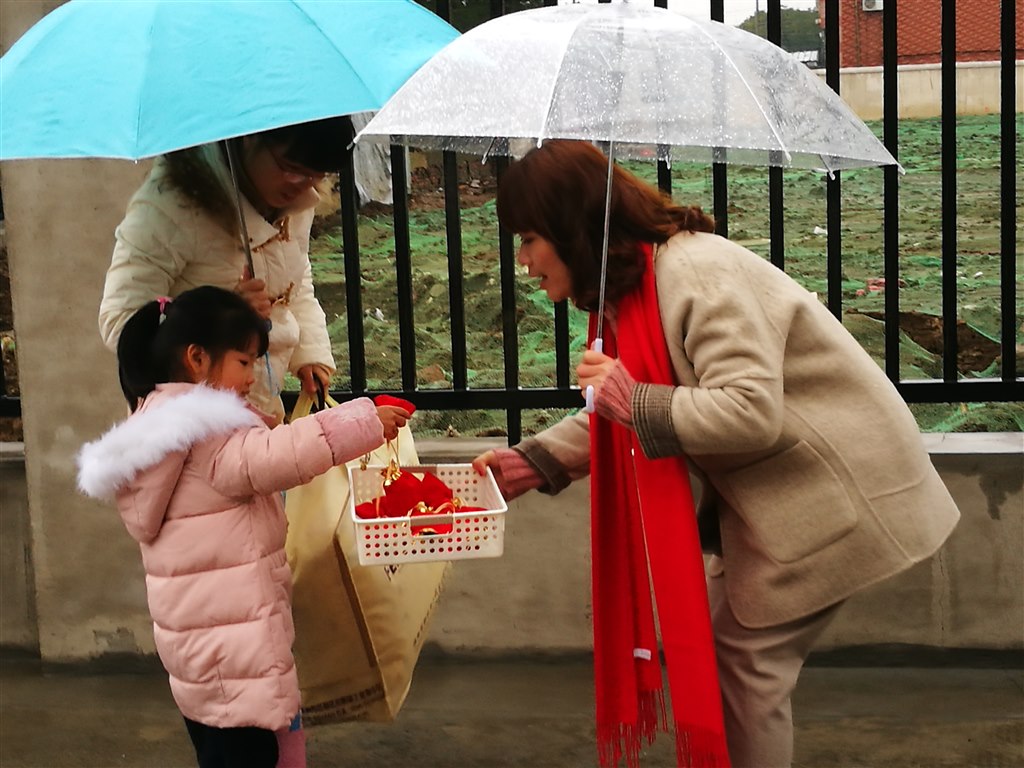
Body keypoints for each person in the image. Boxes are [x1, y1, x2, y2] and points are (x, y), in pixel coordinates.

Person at [472, 140, 960, 768]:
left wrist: (631, 398)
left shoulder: (694, 273)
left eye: (529, 239)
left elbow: (749, 411)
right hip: (781, 494)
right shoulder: (639, 284)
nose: (523, 260)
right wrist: (533, 461)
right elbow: (624, 409)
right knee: (728, 652)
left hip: (836, 490)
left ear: (570, 228)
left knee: (746, 662)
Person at [76, 286, 410, 768]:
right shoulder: (207, 431)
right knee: (251, 752)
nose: (252, 376)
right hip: (237, 653)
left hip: (202, 654)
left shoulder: (157, 428)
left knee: (226, 747)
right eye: (243, 361)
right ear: (197, 359)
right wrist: (364, 422)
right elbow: (276, 456)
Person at [99, 117, 350, 422]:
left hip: (258, 408)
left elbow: (297, 279)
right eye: (290, 168)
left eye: (316, 175)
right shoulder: (170, 206)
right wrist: (224, 317)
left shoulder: (298, 203)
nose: (300, 186)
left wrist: (310, 354)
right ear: (250, 137)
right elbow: (121, 322)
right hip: (187, 423)